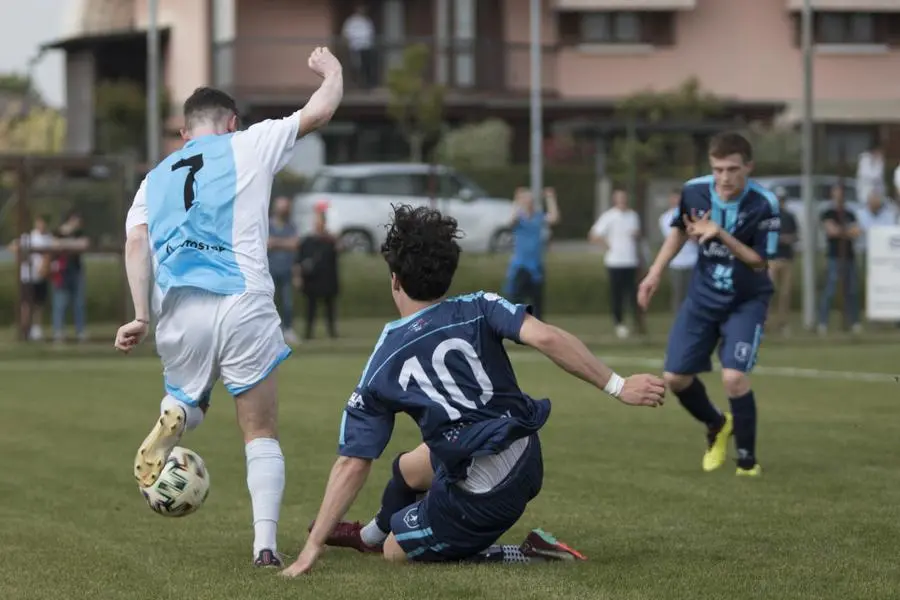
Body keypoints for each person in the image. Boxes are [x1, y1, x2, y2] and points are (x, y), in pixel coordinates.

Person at [281, 204, 665, 577]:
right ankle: (367, 535)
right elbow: (546, 336)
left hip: (485, 494)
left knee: (395, 552)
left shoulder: (385, 359)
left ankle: (526, 552)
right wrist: (618, 385)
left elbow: (353, 461)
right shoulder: (480, 305)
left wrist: (310, 549)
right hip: (526, 455)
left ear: (394, 278)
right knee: (406, 468)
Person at [114, 47, 344, 567]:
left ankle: (180, 409)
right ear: (231, 122)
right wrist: (332, 71)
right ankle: (265, 546)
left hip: (178, 307)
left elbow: (136, 244)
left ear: (183, 134)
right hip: (243, 298)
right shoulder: (250, 142)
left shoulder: (154, 179)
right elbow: (321, 110)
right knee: (259, 430)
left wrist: (140, 315)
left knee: (188, 401)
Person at [638, 132, 780, 477]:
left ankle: (747, 462)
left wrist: (722, 234)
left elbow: (760, 262)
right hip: (703, 298)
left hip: (746, 301)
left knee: (733, 378)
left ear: (749, 167)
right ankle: (717, 424)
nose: (724, 178)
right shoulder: (694, 191)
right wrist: (655, 272)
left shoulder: (764, 203)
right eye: (718, 169)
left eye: (732, 169)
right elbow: (679, 231)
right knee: (674, 378)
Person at [589, 188, 642, 339]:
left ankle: (635, 323)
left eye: (624, 198)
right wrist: (606, 245)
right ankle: (619, 323)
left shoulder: (633, 216)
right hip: (615, 262)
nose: (622, 201)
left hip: (630, 261)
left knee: (632, 294)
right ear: (615, 200)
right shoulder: (609, 216)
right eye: (619, 198)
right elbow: (594, 234)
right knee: (617, 294)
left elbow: (637, 235)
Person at [503, 186, 559, 320]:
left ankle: (538, 327)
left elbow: (554, 218)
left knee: (537, 301)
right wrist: (516, 201)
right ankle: (512, 325)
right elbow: (510, 222)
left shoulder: (538, 217)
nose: (529, 203)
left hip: (536, 266)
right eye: (526, 200)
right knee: (515, 299)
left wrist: (550, 198)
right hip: (520, 266)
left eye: (530, 201)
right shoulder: (518, 218)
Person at [818, 183, 862, 335]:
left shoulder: (850, 213)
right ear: (832, 194)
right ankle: (823, 323)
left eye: (842, 192)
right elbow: (831, 231)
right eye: (837, 192)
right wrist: (846, 231)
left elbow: (857, 232)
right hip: (833, 256)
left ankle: (854, 322)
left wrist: (842, 231)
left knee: (852, 290)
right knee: (829, 290)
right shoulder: (827, 213)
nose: (840, 195)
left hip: (849, 256)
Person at [295, 203, 340, 340]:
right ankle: (308, 333)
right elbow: (298, 260)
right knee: (310, 308)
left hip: (328, 278)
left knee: (329, 308)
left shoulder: (330, 240)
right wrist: (298, 277)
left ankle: (331, 332)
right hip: (312, 280)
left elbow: (338, 252)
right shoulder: (307, 241)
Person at [9, 213, 55, 341]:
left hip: (40, 276)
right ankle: (24, 329)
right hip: (27, 277)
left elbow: (51, 254)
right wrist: (23, 257)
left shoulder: (48, 238)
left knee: (38, 305)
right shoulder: (28, 237)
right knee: (26, 305)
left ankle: (36, 329)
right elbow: (12, 246)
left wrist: (46, 264)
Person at [51, 210, 89, 343]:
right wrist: (71, 243)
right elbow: (55, 244)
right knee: (60, 303)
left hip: (76, 271)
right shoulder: (58, 232)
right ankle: (58, 331)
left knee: (79, 303)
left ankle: (80, 331)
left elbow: (83, 244)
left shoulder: (79, 232)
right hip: (62, 272)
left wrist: (65, 244)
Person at [658, 187, 698, 312]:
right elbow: (674, 237)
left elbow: (696, 237)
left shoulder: (691, 215)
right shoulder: (665, 218)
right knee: (678, 295)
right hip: (677, 261)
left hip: (693, 260)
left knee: (694, 294)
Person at [268, 195, 301, 345]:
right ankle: (272, 332)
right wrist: (284, 243)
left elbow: (295, 245)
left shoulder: (291, 226)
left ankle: (288, 329)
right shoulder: (267, 225)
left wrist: (276, 242)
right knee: (271, 304)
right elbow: (266, 243)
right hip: (270, 271)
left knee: (288, 303)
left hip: (287, 270)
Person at [767, 187, 798, 335]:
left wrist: (788, 239)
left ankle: (782, 323)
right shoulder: (769, 217)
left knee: (785, 294)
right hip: (772, 259)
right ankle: (766, 322)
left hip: (787, 258)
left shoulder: (790, 217)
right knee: (769, 292)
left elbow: (795, 236)